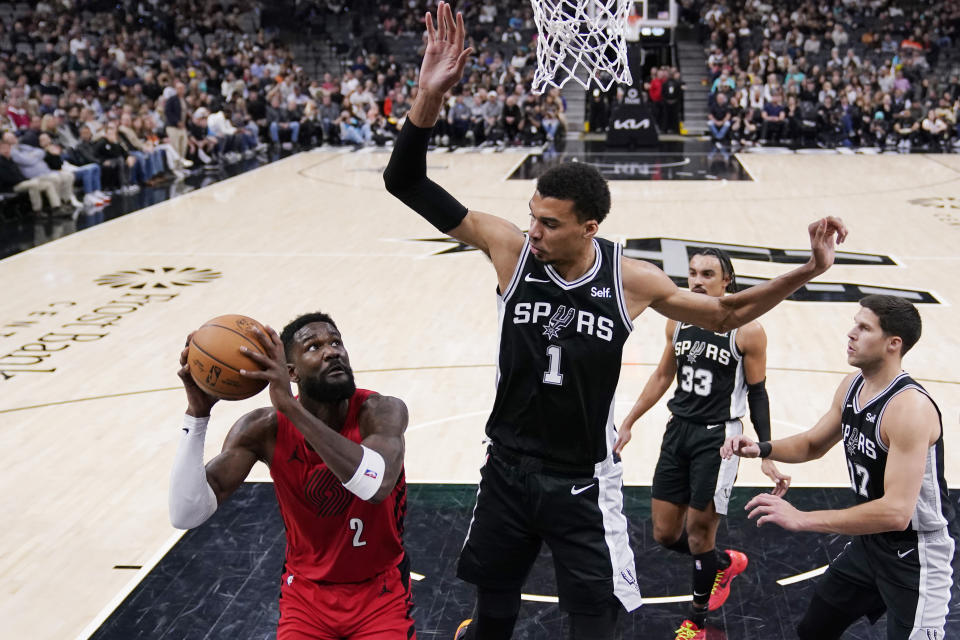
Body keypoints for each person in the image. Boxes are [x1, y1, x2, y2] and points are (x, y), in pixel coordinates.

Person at [382, 5, 847, 639]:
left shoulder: (630, 277)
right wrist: (427, 98)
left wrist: (808, 269)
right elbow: (404, 179)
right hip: (509, 467)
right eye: (531, 215)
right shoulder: (509, 250)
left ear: (589, 227)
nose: (534, 230)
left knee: (595, 620)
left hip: (582, 478)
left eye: (549, 222)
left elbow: (727, 311)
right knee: (492, 613)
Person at [168, 312, 416, 639]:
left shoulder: (381, 411)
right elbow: (186, 513)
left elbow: (376, 484)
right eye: (314, 346)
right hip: (306, 597)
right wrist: (197, 416)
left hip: (380, 592)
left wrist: (291, 408)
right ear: (291, 373)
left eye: (336, 342)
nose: (332, 351)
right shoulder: (263, 429)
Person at [722, 295, 954, 640]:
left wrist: (803, 518)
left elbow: (895, 513)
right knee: (815, 628)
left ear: (894, 344)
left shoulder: (910, 409)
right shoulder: (852, 385)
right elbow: (814, 443)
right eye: (853, 323)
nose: (850, 333)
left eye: (864, 328)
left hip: (915, 554)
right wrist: (761, 448)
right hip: (870, 543)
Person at [614, 248, 790, 639]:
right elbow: (663, 375)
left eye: (707, 273)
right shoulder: (677, 320)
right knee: (663, 532)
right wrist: (628, 422)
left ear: (726, 279)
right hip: (679, 430)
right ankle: (723, 562)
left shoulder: (747, 329)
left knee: (698, 534)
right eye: (692, 273)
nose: (697, 280)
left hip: (719, 438)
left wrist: (765, 451)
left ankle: (696, 621)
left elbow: (758, 393)